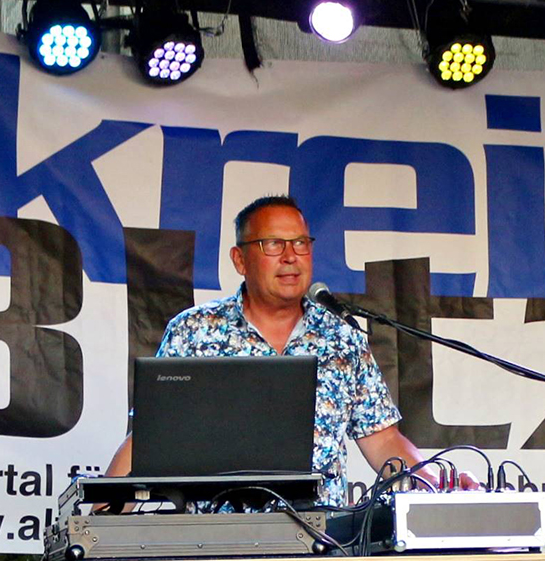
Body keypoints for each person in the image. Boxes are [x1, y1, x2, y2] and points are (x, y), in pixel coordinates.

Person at [103, 194, 475, 504]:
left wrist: (436, 484)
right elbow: (150, 440)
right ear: (240, 260)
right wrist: (101, 521)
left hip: (321, 543)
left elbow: (384, 439)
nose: (290, 256)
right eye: (273, 244)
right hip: (217, 545)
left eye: (300, 243)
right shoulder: (195, 331)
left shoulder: (341, 337)